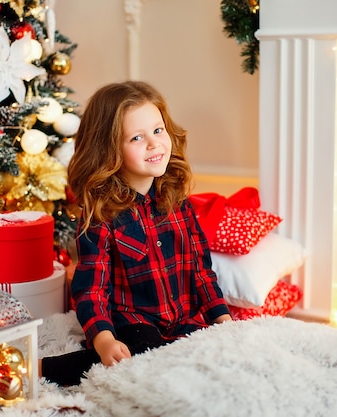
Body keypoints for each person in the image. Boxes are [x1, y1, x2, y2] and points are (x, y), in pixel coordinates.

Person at [40, 81, 232, 386]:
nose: (154, 144)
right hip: (134, 323)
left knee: (207, 355)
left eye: (158, 131)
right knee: (145, 353)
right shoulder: (101, 216)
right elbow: (91, 290)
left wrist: (222, 320)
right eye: (137, 137)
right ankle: (47, 370)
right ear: (109, 149)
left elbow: (201, 272)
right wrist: (103, 341)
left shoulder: (178, 201)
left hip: (182, 321)